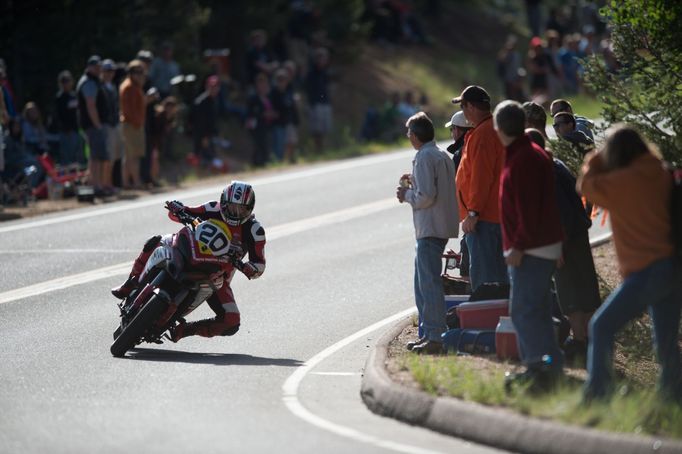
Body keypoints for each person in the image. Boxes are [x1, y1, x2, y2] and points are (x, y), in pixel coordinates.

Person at [578, 125, 682, 402]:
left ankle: (597, 394)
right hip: (672, 266)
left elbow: (585, 186)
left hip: (645, 270)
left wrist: (595, 157)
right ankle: (672, 400)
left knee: (600, 326)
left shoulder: (622, 182)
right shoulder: (660, 172)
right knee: (666, 343)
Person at [111, 180, 266, 342]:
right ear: (223, 202)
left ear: (250, 209)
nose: (235, 212)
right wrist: (178, 208)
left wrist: (249, 268)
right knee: (155, 241)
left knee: (232, 320)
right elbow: (185, 212)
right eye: (231, 207)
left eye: (241, 209)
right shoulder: (213, 208)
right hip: (190, 250)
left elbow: (260, 265)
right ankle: (131, 283)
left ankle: (186, 330)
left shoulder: (255, 230)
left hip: (217, 274)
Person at [493, 101, 565, 391]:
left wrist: (518, 247)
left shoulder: (523, 159)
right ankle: (550, 369)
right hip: (542, 244)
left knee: (523, 311)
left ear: (499, 128)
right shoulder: (529, 152)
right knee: (538, 310)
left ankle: (537, 369)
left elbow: (529, 210)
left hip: (532, 247)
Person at [526, 127, 602, 363]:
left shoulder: (545, 171)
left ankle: (581, 343)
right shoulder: (555, 164)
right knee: (585, 290)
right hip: (576, 236)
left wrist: (557, 245)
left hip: (565, 240)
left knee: (571, 295)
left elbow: (560, 212)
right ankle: (589, 342)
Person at [396, 112, 459, 355]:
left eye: (409, 132)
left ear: (415, 135)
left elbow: (425, 196)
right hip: (441, 225)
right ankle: (429, 332)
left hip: (429, 228)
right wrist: (413, 181)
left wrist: (406, 195)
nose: (408, 136)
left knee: (429, 283)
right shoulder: (441, 154)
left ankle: (434, 335)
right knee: (424, 281)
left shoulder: (423, 156)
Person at [452, 85, 508, 292]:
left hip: (485, 219)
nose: (464, 112)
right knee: (501, 279)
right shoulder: (494, 128)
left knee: (485, 282)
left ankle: (489, 322)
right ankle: (502, 319)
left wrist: (473, 213)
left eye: (464, 106)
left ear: (472, 107)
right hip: (497, 215)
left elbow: (481, 177)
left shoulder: (483, 134)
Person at [77, 55, 111, 195]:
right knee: (96, 157)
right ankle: (96, 187)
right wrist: (97, 125)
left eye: (99, 67)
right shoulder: (89, 82)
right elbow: (90, 105)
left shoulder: (94, 81)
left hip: (93, 125)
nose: (99, 69)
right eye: (96, 67)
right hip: (93, 125)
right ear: (89, 67)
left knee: (95, 157)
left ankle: (95, 185)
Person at [445, 111, 473, 278]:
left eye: (452, 129)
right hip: (479, 215)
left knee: (469, 268)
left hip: (473, 218)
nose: (452, 133)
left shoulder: (460, 154)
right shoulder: (474, 146)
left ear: (459, 130)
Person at [119, 59, 146, 189]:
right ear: (131, 73)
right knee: (131, 155)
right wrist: (137, 122)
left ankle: (132, 182)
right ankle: (132, 182)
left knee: (134, 155)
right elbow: (127, 110)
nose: (140, 74)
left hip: (136, 124)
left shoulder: (136, 86)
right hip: (130, 125)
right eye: (137, 72)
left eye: (142, 72)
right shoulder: (128, 87)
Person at [100, 59, 122, 193]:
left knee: (113, 157)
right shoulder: (100, 86)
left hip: (114, 124)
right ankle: (104, 184)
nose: (110, 73)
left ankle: (108, 183)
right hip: (106, 125)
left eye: (112, 71)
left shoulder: (112, 86)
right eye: (107, 70)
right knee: (106, 157)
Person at [54, 70, 85, 166]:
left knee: (79, 155)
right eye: (64, 81)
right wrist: (64, 128)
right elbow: (58, 115)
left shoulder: (74, 96)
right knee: (67, 158)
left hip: (76, 130)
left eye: (68, 81)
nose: (67, 83)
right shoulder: (59, 97)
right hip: (66, 132)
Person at [245, 73, 276, 167]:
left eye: (264, 84)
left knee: (266, 145)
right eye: (260, 84)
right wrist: (263, 114)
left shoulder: (269, 97)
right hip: (257, 127)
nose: (262, 86)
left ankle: (265, 163)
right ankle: (257, 164)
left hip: (268, 125)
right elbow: (251, 113)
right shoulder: (253, 98)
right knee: (258, 146)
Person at [305, 47, 332, 153]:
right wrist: (311, 103)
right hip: (315, 104)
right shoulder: (311, 73)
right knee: (317, 130)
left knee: (325, 129)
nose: (324, 61)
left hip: (325, 102)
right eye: (322, 58)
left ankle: (323, 150)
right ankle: (318, 150)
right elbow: (308, 89)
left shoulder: (325, 72)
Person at [191, 75, 221, 165]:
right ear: (207, 86)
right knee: (203, 159)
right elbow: (199, 122)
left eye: (216, 87)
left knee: (210, 158)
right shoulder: (202, 102)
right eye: (212, 87)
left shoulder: (213, 100)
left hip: (209, 135)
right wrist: (204, 137)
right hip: (202, 136)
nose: (214, 89)